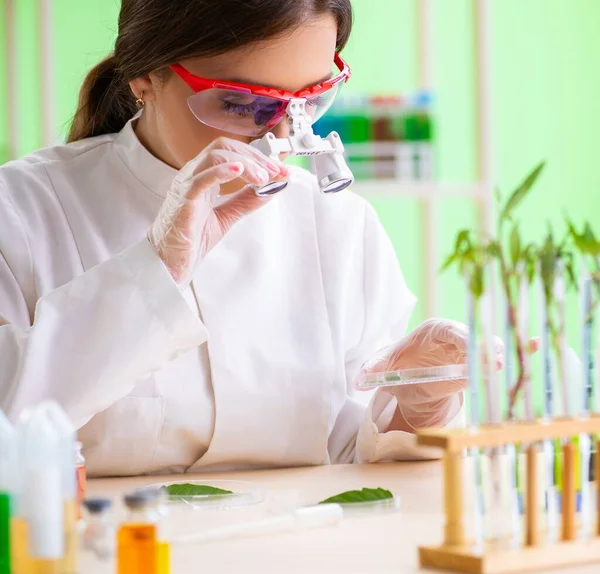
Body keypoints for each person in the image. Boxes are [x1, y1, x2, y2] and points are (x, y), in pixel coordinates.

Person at [0, 0, 492, 477]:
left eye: (311, 101)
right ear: (146, 76)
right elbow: (9, 422)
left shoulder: (339, 224)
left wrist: (418, 404)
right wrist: (155, 273)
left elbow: (354, 456)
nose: (283, 137)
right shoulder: (21, 211)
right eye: (242, 103)